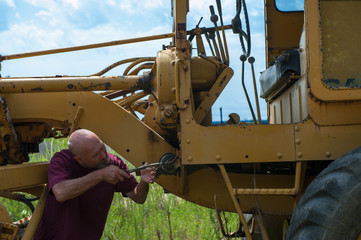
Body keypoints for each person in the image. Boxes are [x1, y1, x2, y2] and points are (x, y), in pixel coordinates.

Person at [34, 129, 156, 240]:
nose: (103, 155)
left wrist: (144, 182)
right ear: (79, 159)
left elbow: (138, 197)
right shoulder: (62, 161)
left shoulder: (113, 163)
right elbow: (61, 192)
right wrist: (101, 175)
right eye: (95, 155)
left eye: (102, 148)